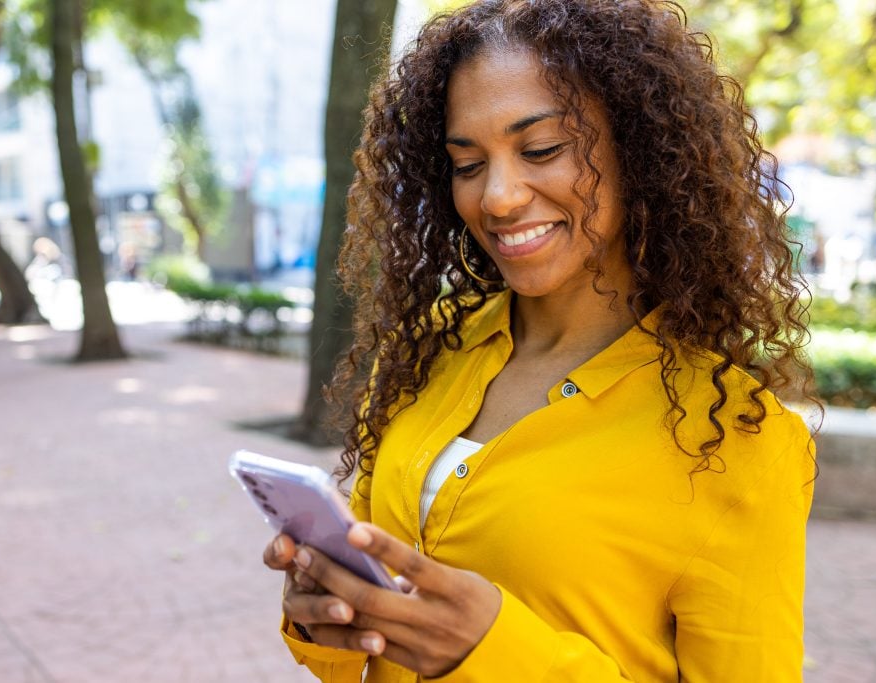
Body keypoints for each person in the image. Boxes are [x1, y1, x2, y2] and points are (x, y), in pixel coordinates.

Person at [263, 0, 818, 680]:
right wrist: (327, 612)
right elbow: (359, 655)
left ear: (637, 149)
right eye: (468, 163)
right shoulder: (427, 352)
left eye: (541, 150)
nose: (497, 196)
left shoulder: (733, 437)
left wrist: (490, 650)